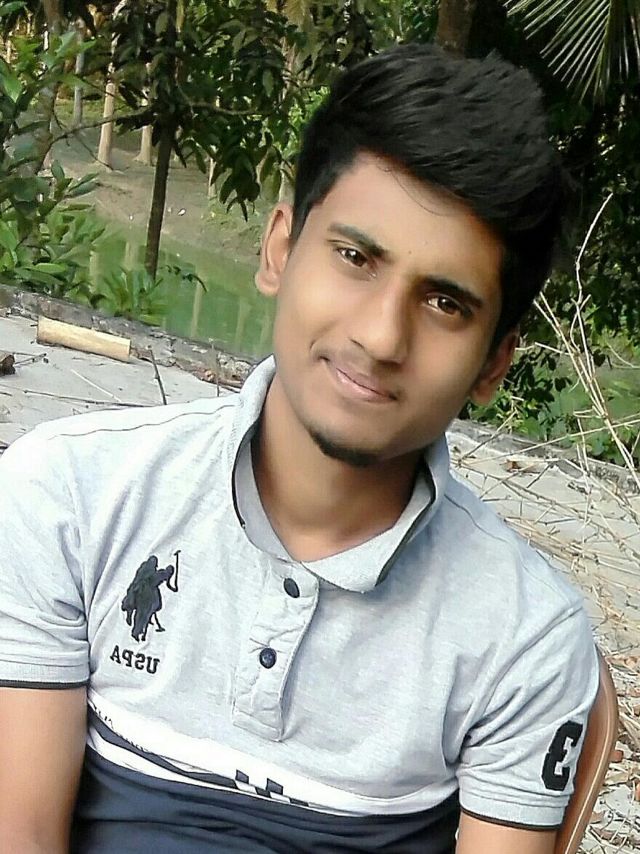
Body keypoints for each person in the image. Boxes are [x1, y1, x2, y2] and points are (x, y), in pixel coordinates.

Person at [0, 43, 599, 854]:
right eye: (355, 258)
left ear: (494, 361)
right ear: (279, 249)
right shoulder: (69, 498)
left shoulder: (526, 636)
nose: (381, 337)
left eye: (445, 303)